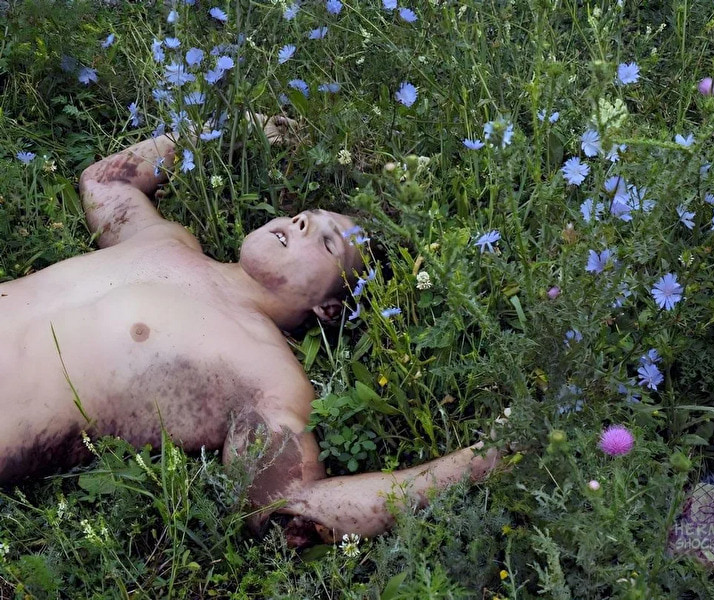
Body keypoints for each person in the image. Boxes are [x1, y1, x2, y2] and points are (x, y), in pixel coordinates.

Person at [0, 115, 498, 547]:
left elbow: (288, 510)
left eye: (327, 243)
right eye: (304, 218)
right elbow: (105, 182)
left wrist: (482, 460)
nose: (301, 225)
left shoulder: (266, 372)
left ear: (329, 308)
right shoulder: (167, 240)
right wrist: (237, 127)